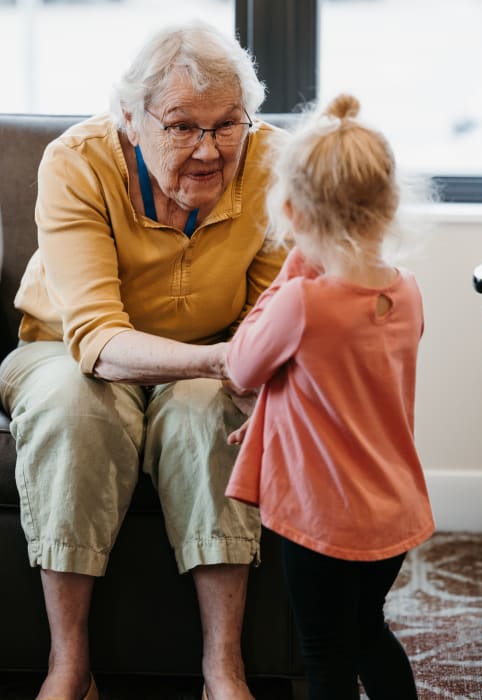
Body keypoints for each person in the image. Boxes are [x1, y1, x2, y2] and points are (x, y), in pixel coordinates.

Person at [0, 20, 287, 700]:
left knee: (203, 413)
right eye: (184, 126)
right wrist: (225, 361)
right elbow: (95, 338)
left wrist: (230, 365)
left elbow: (269, 317)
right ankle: (69, 666)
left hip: (213, 350)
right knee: (75, 408)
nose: (211, 150)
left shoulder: (274, 165)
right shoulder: (77, 162)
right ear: (130, 118)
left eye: (228, 125)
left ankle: (224, 668)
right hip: (61, 348)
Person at [224, 93, 436, 699]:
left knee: (325, 654)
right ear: (389, 204)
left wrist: (292, 271)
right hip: (390, 512)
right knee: (369, 630)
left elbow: (241, 365)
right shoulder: (409, 292)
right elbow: (340, 382)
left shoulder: (302, 301)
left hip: (322, 521)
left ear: (292, 210)